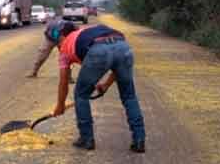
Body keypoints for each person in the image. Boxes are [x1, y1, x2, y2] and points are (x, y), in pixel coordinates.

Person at [47, 20, 146, 153]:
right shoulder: (86, 32)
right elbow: (116, 63)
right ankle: (139, 140)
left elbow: (63, 82)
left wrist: (60, 105)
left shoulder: (65, 48)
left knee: (81, 95)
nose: (56, 46)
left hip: (98, 50)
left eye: (54, 42)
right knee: (129, 96)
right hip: (123, 46)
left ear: (59, 37)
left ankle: (86, 138)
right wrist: (105, 85)